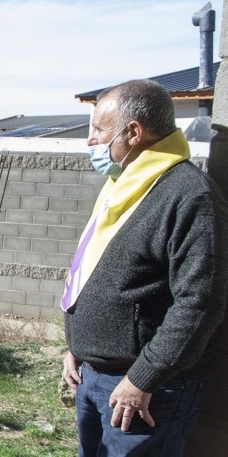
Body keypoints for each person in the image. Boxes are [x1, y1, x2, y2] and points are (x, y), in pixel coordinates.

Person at [61, 79, 228, 457]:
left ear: (133, 132)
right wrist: (78, 347)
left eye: (98, 131)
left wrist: (144, 377)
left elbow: (200, 303)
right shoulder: (125, 185)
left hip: (145, 390)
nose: (91, 142)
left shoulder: (188, 195)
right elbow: (91, 269)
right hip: (96, 376)